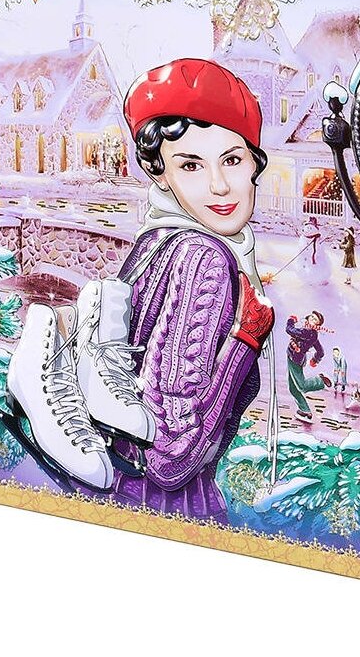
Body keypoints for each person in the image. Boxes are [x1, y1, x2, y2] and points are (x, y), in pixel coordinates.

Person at [113, 58, 275, 520]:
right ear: (161, 174)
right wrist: (245, 341)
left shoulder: (155, 241)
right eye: (190, 165)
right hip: (170, 511)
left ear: (254, 163)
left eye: (232, 160)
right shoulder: (204, 257)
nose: (219, 186)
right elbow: (171, 455)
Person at [285, 311, 331, 423]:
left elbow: (289, 330)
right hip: (294, 357)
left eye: (315, 320)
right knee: (293, 389)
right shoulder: (311, 332)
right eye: (312, 317)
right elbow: (320, 351)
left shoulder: (308, 332)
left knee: (302, 387)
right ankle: (305, 410)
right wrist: (315, 360)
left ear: (317, 325)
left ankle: (320, 380)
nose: (312, 319)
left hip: (295, 360)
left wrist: (291, 320)